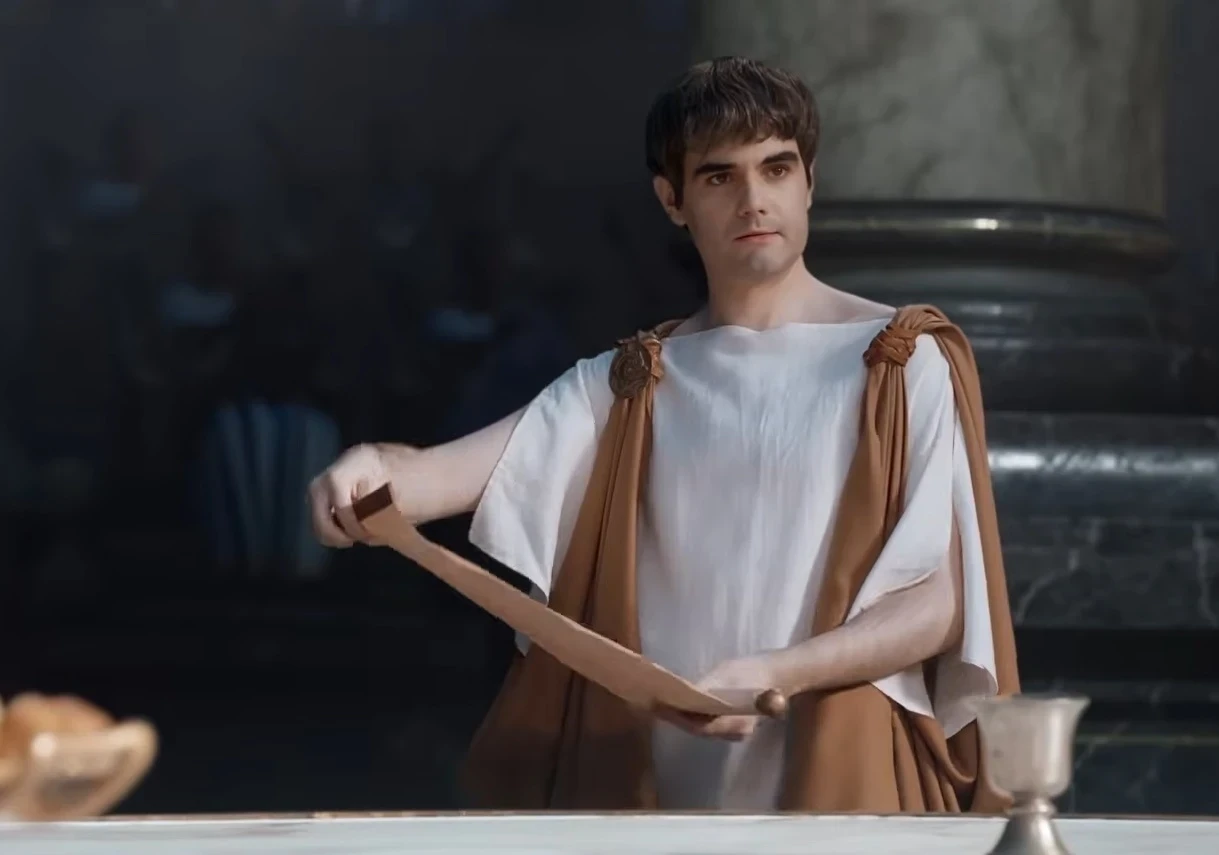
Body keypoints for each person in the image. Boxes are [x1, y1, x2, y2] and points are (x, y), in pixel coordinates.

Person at [307, 56, 1018, 812]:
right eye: (718, 176)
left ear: (808, 181)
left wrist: (776, 672)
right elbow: (437, 473)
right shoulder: (631, 381)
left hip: (843, 773)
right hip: (661, 786)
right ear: (672, 200)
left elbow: (933, 605)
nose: (753, 200)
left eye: (776, 169)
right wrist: (366, 466)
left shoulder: (900, 359)